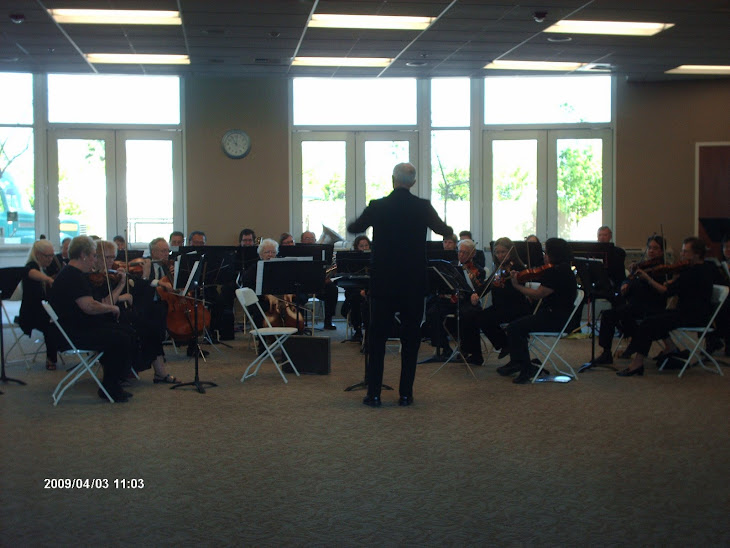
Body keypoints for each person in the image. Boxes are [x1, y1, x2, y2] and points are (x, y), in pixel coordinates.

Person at [347, 162, 452, 407]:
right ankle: (406, 394)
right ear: (413, 182)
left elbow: (354, 228)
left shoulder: (378, 206)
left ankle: (374, 394)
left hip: (383, 281)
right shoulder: (422, 206)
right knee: (411, 338)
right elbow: (443, 230)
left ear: (392, 179)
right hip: (413, 283)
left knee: (377, 338)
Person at [48, 236, 136, 402]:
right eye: (94, 256)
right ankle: (111, 386)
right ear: (84, 255)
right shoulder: (73, 276)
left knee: (125, 331)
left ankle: (113, 382)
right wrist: (112, 307)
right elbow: (88, 306)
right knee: (121, 338)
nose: (95, 259)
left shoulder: (72, 273)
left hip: (73, 328)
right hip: (71, 333)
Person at [616, 237, 716, 377]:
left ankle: (637, 364)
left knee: (649, 323)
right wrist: (674, 281)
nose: (682, 255)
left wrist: (649, 278)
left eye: (685, 252)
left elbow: (666, 291)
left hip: (693, 315)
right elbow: (678, 287)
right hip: (689, 312)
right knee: (654, 317)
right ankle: (672, 348)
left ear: (697, 254)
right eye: (682, 251)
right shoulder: (701, 268)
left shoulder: (693, 272)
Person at [92, 240, 178, 384]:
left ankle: (158, 371)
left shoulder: (111, 273)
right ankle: (143, 370)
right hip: (105, 317)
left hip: (118, 313)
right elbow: (102, 301)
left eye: (113, 257)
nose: (112, 261)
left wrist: (144, 276)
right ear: (96, 257)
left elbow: (138, 290)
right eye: (107, 258)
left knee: (152, 321)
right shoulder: (93, 277)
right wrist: (121, 294)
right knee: (148, 324)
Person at [502, 238, 577, 384]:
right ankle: (520, 362)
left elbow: (540, 294)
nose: (544, 255)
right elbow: (547, 291)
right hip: (557, 315)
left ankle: (525, 366)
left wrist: (517, 286)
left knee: (515, 328)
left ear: (554, 253)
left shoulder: (556, 271)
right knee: (517, 325)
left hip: (555, 318)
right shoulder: (564, 269)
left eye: (546, 252)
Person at [589, 235, 668, 365]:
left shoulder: (663, 269)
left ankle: (610, 352)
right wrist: (625, 284)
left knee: (610, 316)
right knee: (614, 311)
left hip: (651, 306)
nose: (651, 251)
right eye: (649, 248)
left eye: (656, 248)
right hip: (636, 305)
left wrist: (647, 278)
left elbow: (663, 290)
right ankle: (624, 346)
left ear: (662, 251)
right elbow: (629, 279)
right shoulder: (642, 266)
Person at [477, 237, 532, 361]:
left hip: (516, 307)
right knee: (480, 317)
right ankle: (505, 344)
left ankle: (506, 345)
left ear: (510, 252)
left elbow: (517, 291)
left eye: (503, 252)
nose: (500, 255)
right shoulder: (498, 268)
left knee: (485, 318)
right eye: (497, 252)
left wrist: (511, 280)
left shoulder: (518, 267)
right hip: (501, 307)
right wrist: (477, 294)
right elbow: (487, 286)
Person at [18, 239, 60, 370]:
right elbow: (29, 272)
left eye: (52, 255)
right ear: (37, 254)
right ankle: (51, 358)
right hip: (31, 314)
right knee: (52, 324)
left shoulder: (45, 267)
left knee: (58, 318)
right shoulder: (32, 266)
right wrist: (48, 279)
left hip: (41, 311)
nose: (50, 259)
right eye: (47, 256)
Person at [299, 230, 338, 330]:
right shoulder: (297, 253)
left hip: (319, 284)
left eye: (312, 239)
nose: (309, 241)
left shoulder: (321, 252)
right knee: (298, 295)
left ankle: (328, 321)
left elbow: (329, 268)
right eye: (307, 239)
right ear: (301, 241)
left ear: (315, 241)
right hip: (301, 285)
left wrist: (329, 278)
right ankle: (300, 322)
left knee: (332, 289)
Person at [341, 235, 371, 341]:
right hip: (354, 289)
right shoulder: (352, 260)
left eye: (366, 245)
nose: (364, 248)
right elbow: (349, 280)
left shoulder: (374, 258)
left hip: (369, 289)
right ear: (356, 247)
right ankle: (358, 330)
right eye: (361, 246)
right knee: (355, 298)